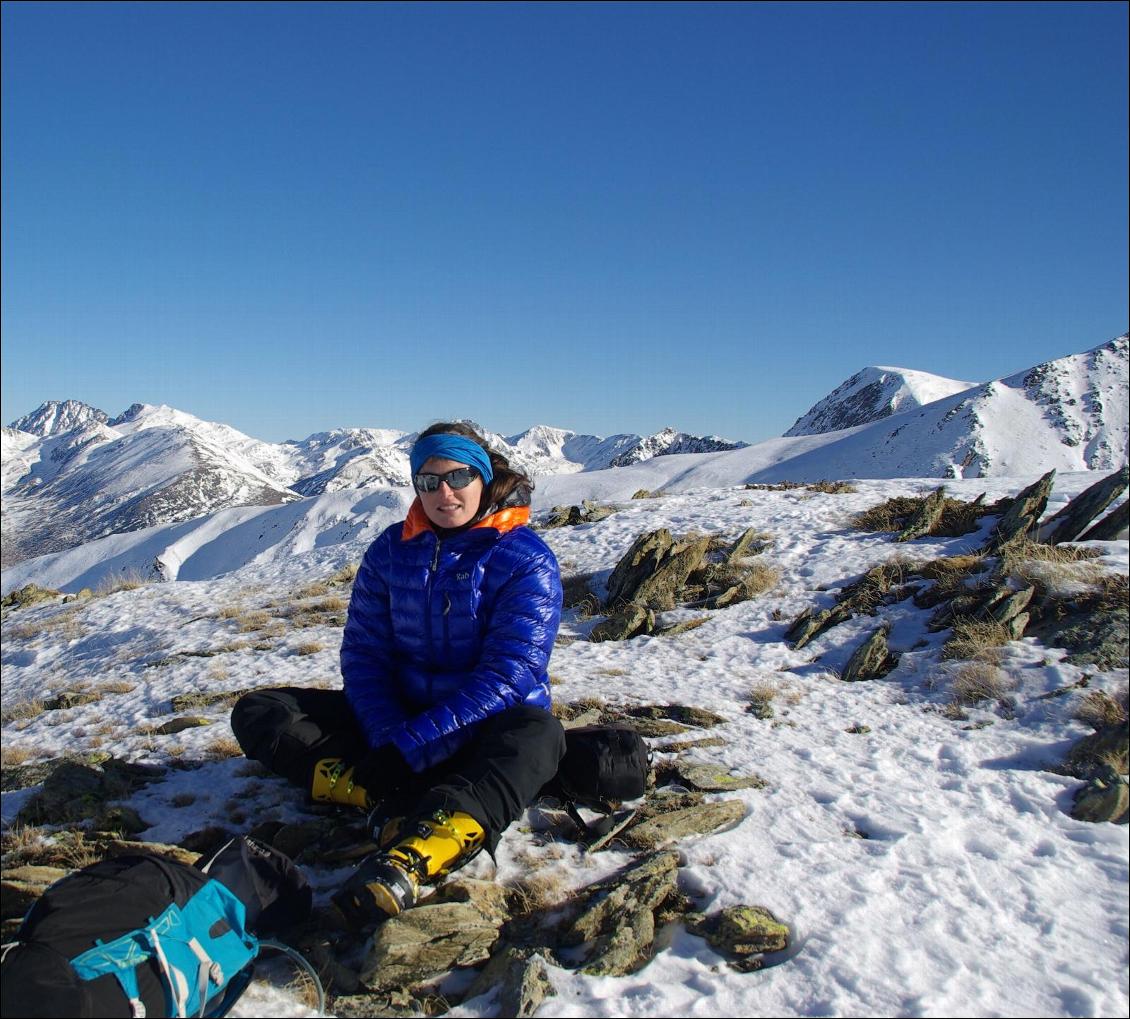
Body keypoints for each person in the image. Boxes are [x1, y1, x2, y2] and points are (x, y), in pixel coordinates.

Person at [231, 422, 565, 924]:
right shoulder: (391, 550)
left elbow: (510, 675)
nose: (443, 492)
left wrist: (409, 747)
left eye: (457, 477)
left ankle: (415, 856)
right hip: (399, 722)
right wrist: (387, 737)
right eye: (428, 482)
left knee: (538, 734)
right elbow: (365, 655)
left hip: (479, 727)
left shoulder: (524, 558)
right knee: (261, 711)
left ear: (484, 477)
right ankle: (382, 799)